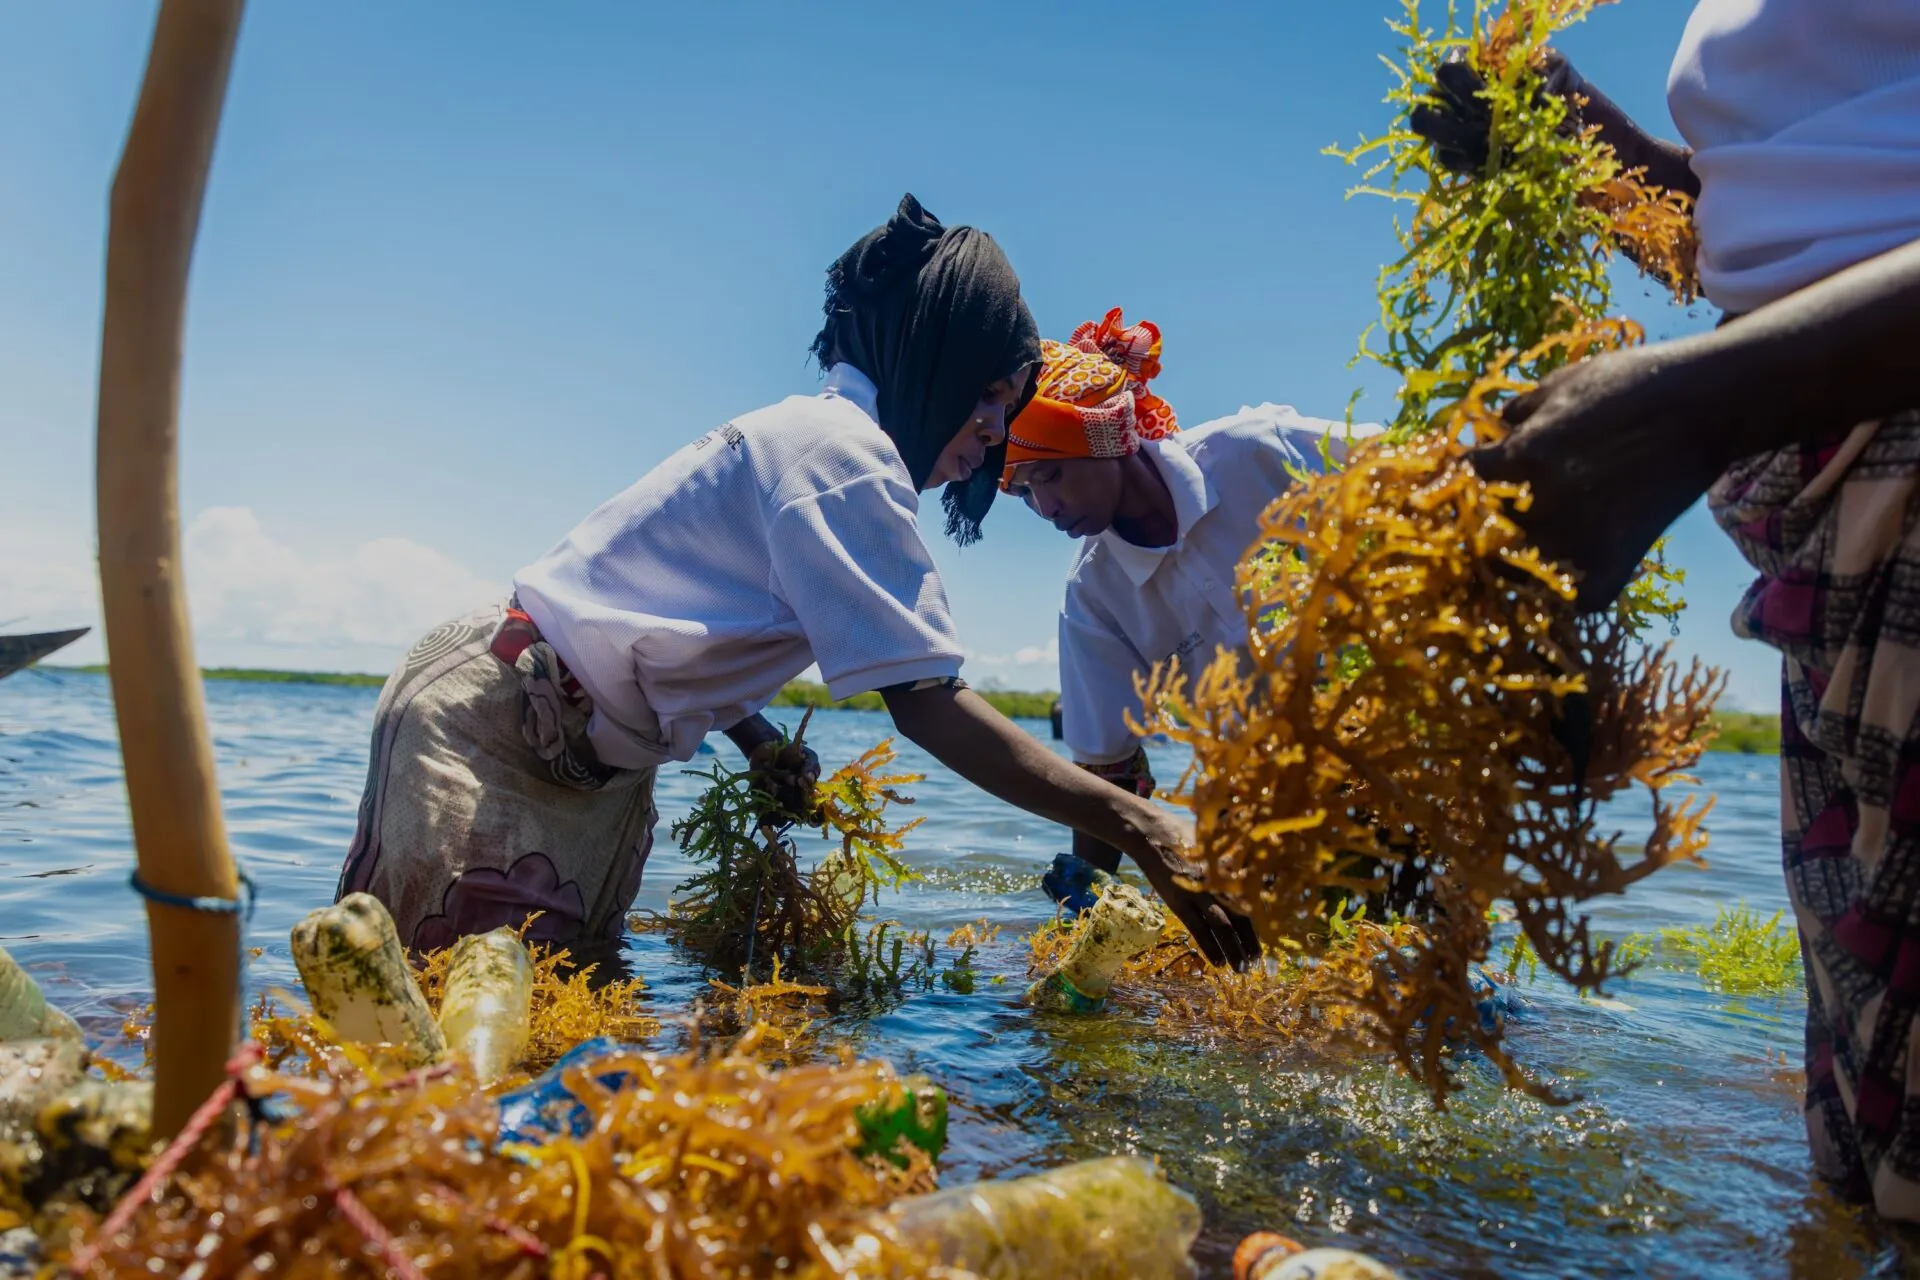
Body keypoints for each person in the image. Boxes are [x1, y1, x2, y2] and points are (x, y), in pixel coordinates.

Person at [335, 196, 1254, 968]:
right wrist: (1143, 824)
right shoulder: (842, 457)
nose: (991, 435)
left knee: (542, 1028)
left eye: (1004, 410)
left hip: (589, 760)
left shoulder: (818, 444)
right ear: (923, 361)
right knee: (428, 1035)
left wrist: (757, 737)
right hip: (499, 728)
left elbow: (674, 613)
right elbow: (926, 704)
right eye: (984, 397)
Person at [1411, 0, 1920, 1217]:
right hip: (1814, 524)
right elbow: (1780, 234)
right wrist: (1590, 154)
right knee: (1873, 1137)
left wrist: (1689, 408)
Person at [1001, 308, 1376, 882]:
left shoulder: (1255, 454)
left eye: (1050, 475)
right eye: (1024, 491)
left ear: (1106, 439)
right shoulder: (1094, 599)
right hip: (1262, 818)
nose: (1045, 508)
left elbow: (1410, 480)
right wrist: (1083, 907)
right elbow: (1108, 771)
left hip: (1386, 756)